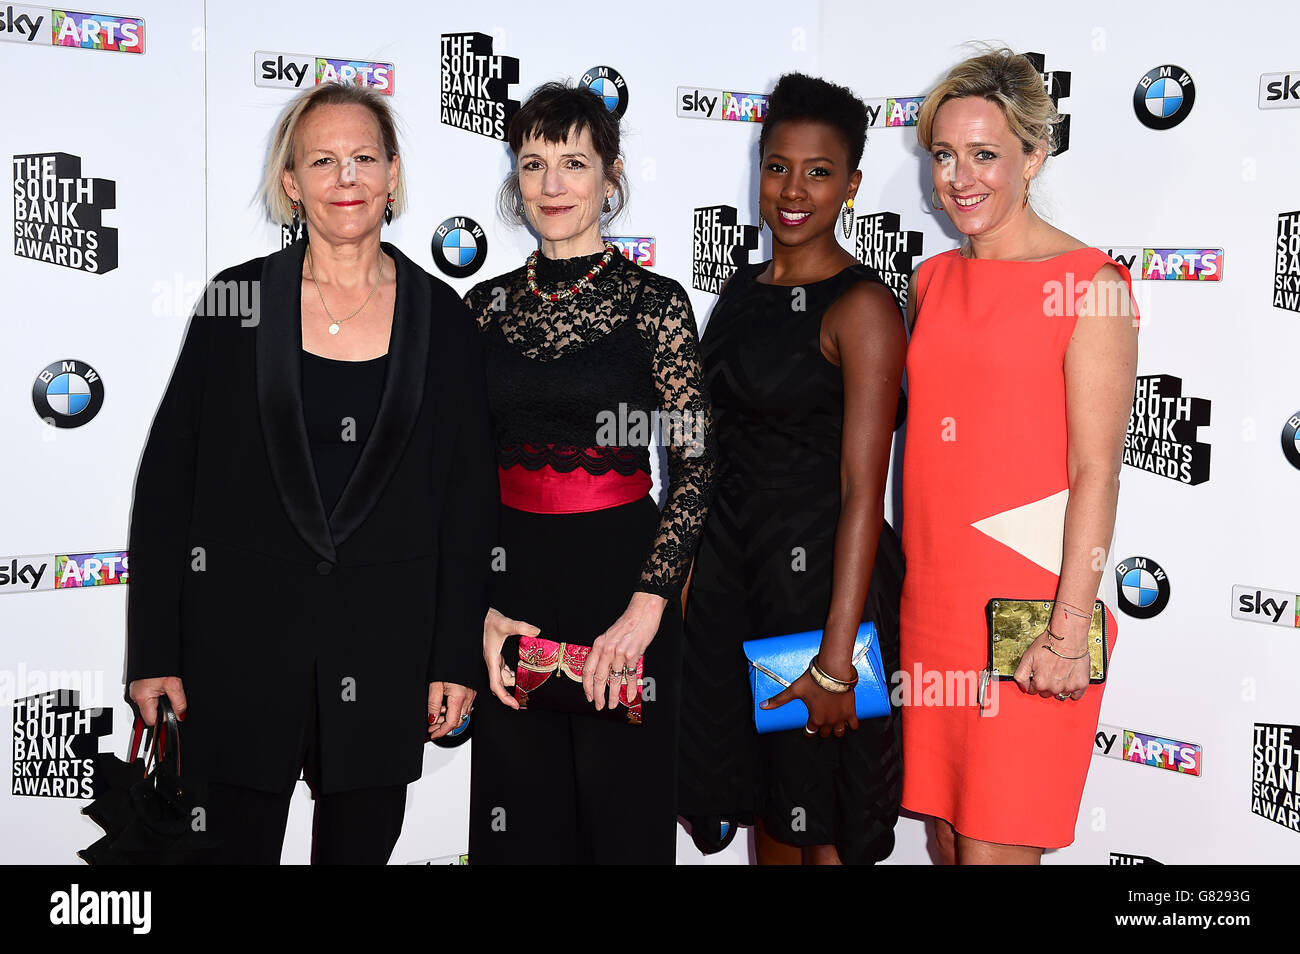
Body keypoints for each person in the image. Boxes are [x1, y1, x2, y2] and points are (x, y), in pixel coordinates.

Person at [125, 81, 497, 865]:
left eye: (365, 157)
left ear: (393, 174)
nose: (347, 178)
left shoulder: (447, 321)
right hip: (237, 650)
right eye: (322, 161)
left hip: (386, 652)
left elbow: (468, 507)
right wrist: (154, 650)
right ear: (292, 184)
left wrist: (453, 656)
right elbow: (168, 482)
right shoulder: (237, 304)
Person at [462, 82, 714, 865]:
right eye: (533, 164)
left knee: (623, 826)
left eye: (574, 163)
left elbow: (696, 461)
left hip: (622, 582)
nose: (552, 185)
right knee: (520, 828)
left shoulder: (655, 304)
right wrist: (480, 608)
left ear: (611, 175)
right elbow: (458, 474)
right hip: (514, 592)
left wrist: (649, 606)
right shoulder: (485, 308)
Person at [902, 47, 1139, 864]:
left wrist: (1071, 629)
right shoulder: (930, 282)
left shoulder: (1090, 282)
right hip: (933, 607)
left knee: (997, 847)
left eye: (986, 154)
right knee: (945, 836)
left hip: (1029, 614)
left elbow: (1096, 473)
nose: (960, 178)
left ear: (1034, 156)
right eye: (945, 155)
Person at [677, 72, 908, 865]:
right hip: (736, 584)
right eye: (777, 166)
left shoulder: (864, 307)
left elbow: (860, 495)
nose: (793, 189)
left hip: (820, 597)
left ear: (850, 183)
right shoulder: (741, 288)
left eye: (818, 171)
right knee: (769, 817)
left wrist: (838, 660)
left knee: (827, 828)